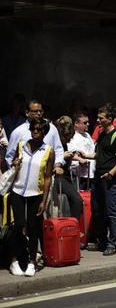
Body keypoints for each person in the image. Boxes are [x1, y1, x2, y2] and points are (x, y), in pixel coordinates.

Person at [8, 117, 54, 277]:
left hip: (36, 193)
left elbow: (48, 176)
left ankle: (32, 262)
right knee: (19, 224)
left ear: (44, 132)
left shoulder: (48, 150)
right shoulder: (21, 145)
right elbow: (12, 162)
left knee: (34, 227)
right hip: (17, 191)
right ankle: (14, 260)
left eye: (39, 130)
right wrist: (15, 163)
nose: (36, 132)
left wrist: (44, 200)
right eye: (34, 129)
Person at [84, 105, 116, 256]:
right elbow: (100, 155)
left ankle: (112, 243)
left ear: (109, 119)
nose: (98, 120)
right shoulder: (102, 134)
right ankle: (102, 241)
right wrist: (84, 155)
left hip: (110, 179)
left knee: (111, 212)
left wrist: (111, 173)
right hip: (98, 178)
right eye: (98, 118)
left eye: (101, 118)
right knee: (98, 211)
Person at [5, 100, 65, 175]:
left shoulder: (51, 128)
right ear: (27, 113)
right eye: (35, 111)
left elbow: (58, 149)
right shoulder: (18, 132)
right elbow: (9, 157)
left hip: (46, 176)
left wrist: (57, 165)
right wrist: (15, 173)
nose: (39, 114)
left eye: (41, 111)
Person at [54, 116, 83, 220]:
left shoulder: (64, 144)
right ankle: (73, 226)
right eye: (70, 136)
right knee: (77, 200)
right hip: (57, 178)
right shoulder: (54, 142)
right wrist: (63, 156)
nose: (71, 139)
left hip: (66, 177)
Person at [68, 112, 95, 190]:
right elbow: (71, 153)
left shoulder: (87, 135)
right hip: (79, 175)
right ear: (76, 123)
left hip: (91, 173)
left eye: (88, 122)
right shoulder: (72, 136)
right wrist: (80, 159)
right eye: (85, 123)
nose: (88, 124)